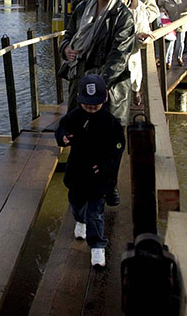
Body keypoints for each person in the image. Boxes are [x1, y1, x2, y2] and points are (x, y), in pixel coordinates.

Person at [55, 74, 125, 268]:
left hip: (98, 176)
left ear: (105, 99)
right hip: (77, 170)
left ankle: (97, 246)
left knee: (95, 212)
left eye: (95, 104)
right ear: (80, 99)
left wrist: (105, 167)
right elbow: (61, 128)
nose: (91, 108)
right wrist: (63, 138)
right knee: (76, 203)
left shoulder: (112, 124)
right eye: (87, 104)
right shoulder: (75, 116)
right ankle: (80, 220)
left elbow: (117, 150)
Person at [60, 0, 135, 126]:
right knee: (77, 138)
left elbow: (119, 57)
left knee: (105, 144)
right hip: (80, 82)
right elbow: (68, 35)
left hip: (109, 89)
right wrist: (66, 49)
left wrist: (98, 88)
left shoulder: (123, 17)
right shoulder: (82, 8)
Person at [117, 0, 153, 105]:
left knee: (134, 76)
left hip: (132, 51)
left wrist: (141, 37)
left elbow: (143, 29)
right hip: (115, 54)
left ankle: (136, 91)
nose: (122, 2)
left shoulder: (139, 10)